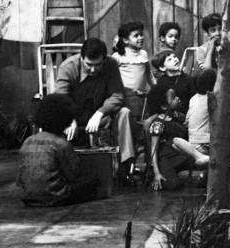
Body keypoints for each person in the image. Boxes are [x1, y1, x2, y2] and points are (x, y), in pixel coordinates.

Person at [55, 38, 135, 175]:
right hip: (74, 116)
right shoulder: (68, 67)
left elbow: (118, 95)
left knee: (124, 112)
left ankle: (125, 166)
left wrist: (100, 113)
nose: (92, 69)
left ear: (104, 59)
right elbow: (61, 98)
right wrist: (69, 119)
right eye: (88, 65)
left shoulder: (111, 64)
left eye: (97, 65)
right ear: (81, 58)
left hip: (101, 116)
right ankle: (63, 167)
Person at [17, 94, 96, 206]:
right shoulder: (61, 144)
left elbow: (20, 178)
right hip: (55, 197)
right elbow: (73, 174)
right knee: (92, 181)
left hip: (27, 197)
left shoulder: (27, 141)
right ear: (66, 119)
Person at [171, 69, 230, 186]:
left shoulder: (194, 98)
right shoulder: (212, 98)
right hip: (206, 141)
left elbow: (187, 120)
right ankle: (229, 182)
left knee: (175, 142)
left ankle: (206, 175)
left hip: (193, 141)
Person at [146, 84, 195, 191]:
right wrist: (156, 173)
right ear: (164, 106)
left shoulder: (178, 117)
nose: (177, 99)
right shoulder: (158, 124)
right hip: (165, 159)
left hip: (179, 155)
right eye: (173, 98)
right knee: (173, 185)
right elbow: (154, 150)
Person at [111, 22, 154, 123]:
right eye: (136, 36)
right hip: (127, 96)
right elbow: (112, 78)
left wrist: (155, 87)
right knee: (131, 121)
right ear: (125, 40)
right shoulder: (117, 57)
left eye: (141, 34)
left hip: (142, 96)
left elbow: (148, 74)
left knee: (143, 120)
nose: (141, 38)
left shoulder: (143, 54)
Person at [150, 50, 195, 115]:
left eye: (174, 57)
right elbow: (155, 103)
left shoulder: (188, 79)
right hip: (166, 114)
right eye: (169, 59)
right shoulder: (161, 82)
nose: (175, 60)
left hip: (185, 114)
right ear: (162, 68)